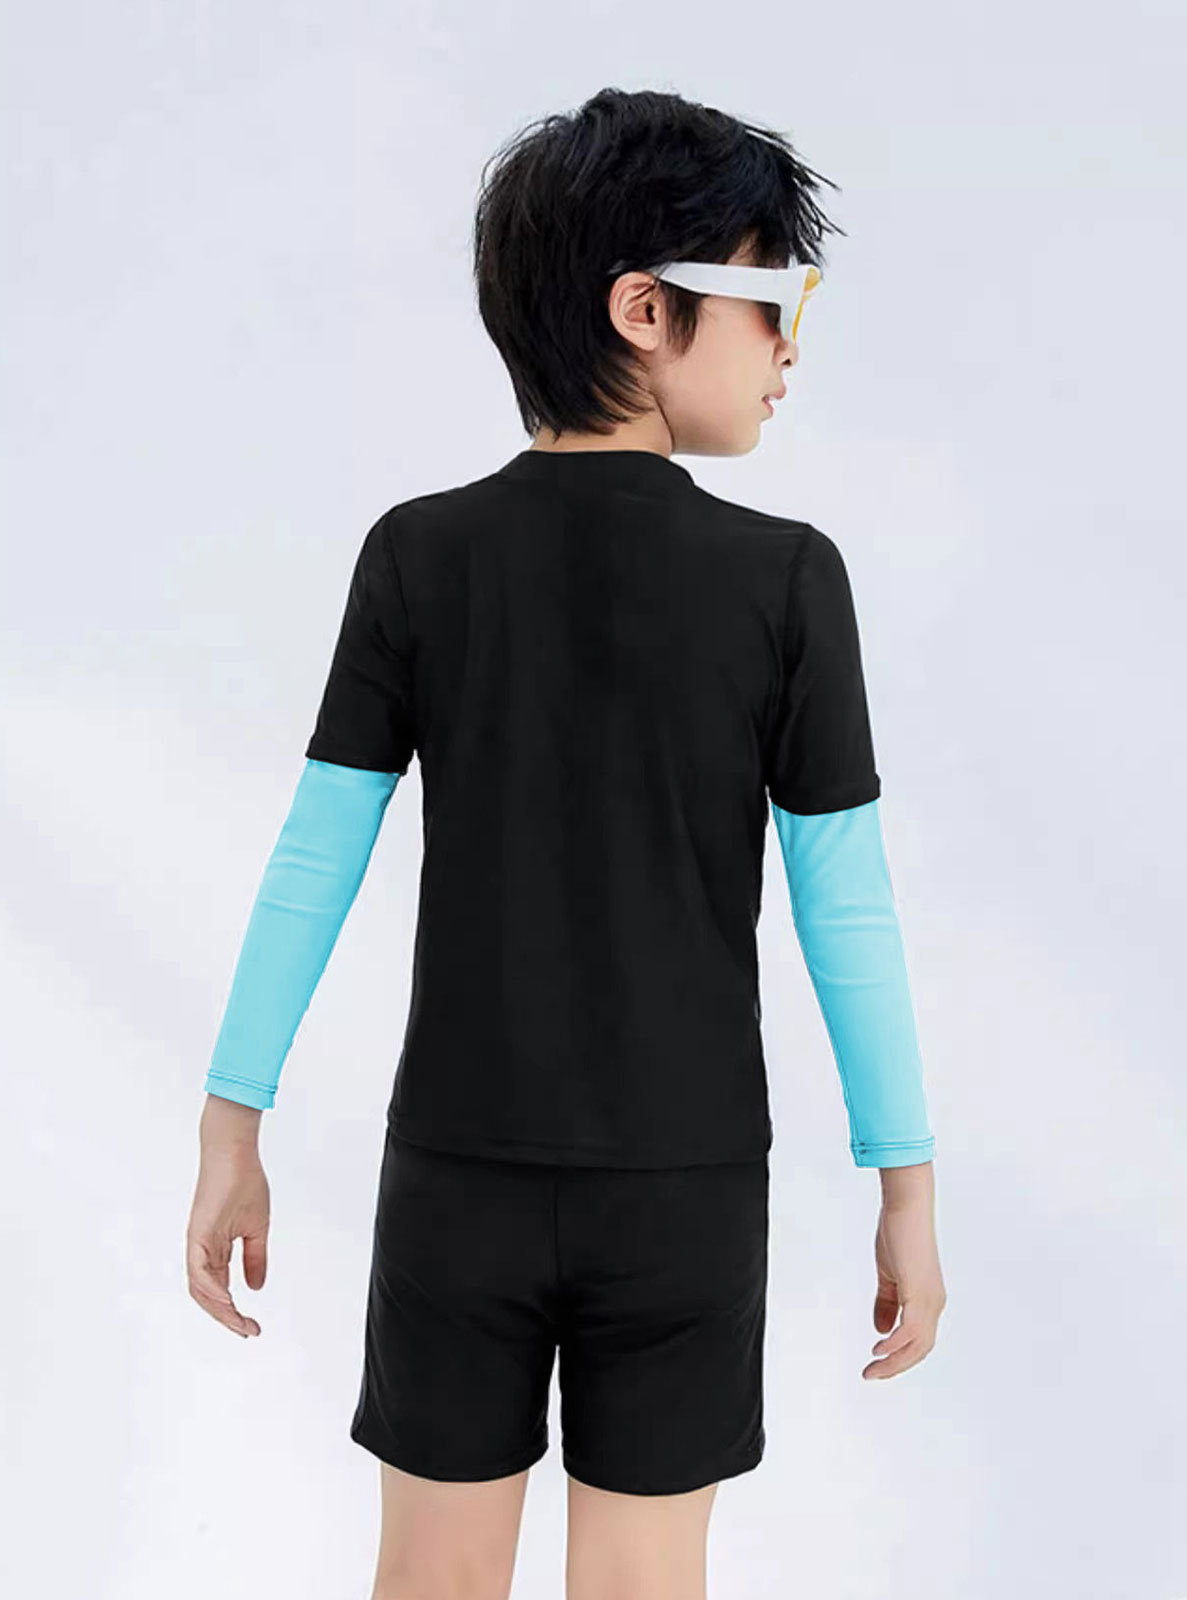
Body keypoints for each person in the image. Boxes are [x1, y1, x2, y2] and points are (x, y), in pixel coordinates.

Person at [186, 85, 947, 1600]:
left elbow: (312, 862)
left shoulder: (420, 555)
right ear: (645, 309)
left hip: (456, 1178)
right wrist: (905, 1187)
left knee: (431, 1582)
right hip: (686, 1190)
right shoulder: (788, 582)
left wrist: (231, 1128)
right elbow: (845, 909)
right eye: (776, 301)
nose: (791, 349)